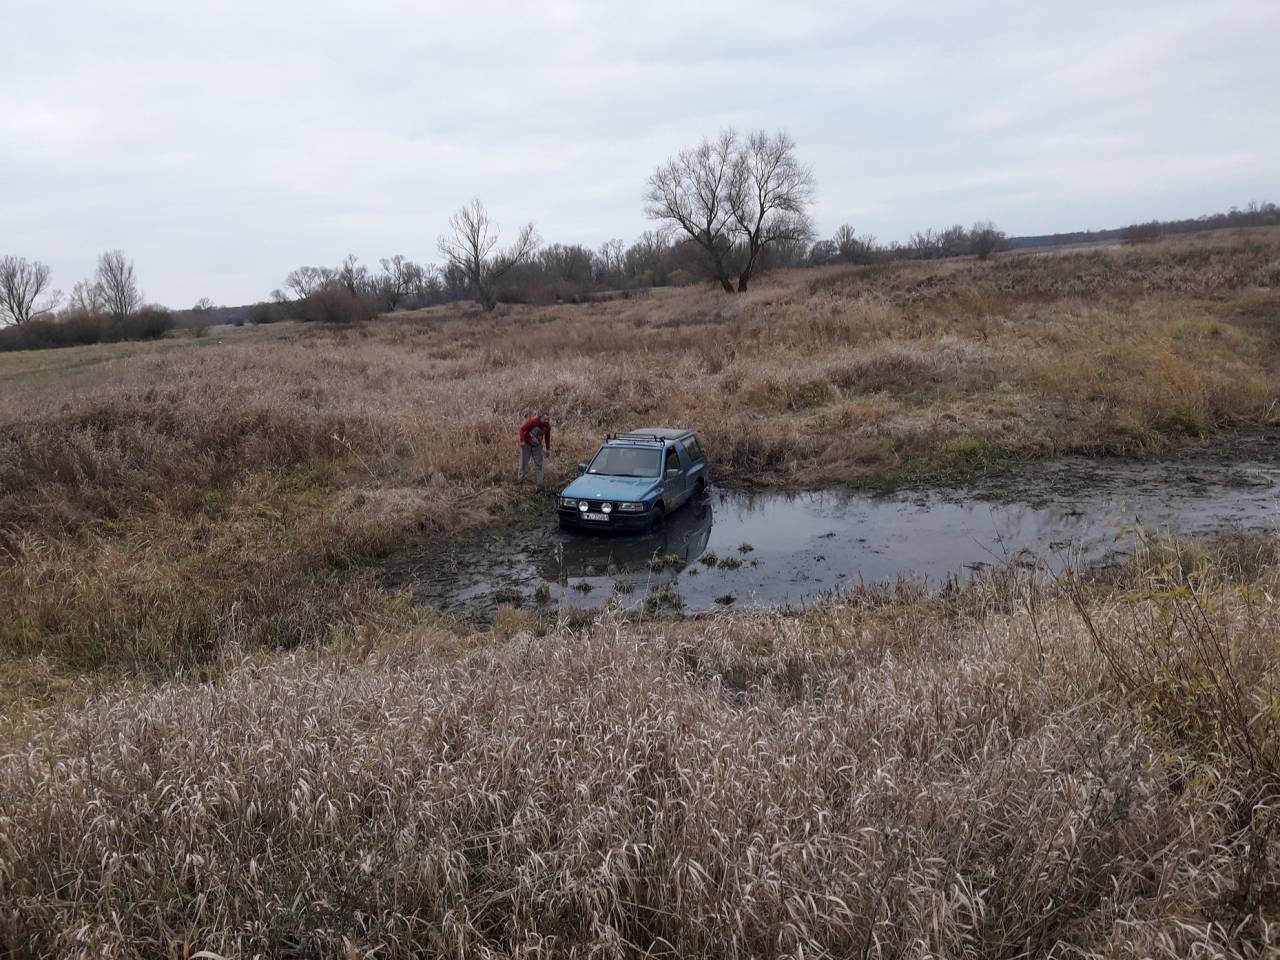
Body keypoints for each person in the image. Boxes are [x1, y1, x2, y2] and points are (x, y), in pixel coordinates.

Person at [517, 412, 552, 487]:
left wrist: (548, 449)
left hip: (537, 446)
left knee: (539, 465)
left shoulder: (547, 426)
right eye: (545, 419)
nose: (546, 421)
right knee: (523, 464)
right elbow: (522, 429)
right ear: (541, 417)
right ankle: (520, 481)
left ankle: (540, 484)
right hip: (526, 444)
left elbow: (547, 437)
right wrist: (522, 441)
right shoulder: (533, 421)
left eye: (548, 419)